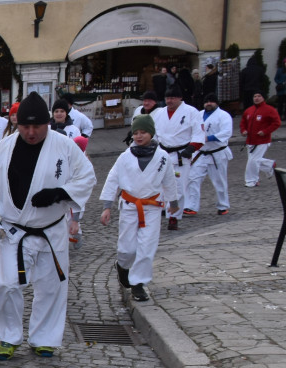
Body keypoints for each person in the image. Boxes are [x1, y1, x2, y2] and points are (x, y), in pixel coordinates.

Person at [0, 92, 96, 360]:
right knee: (8, 285)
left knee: (51, 286)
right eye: (24, 126)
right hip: (14, 229)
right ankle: (8, 336)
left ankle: (44, 338)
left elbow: (87, 176)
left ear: (47, 123)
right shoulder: (4, 147)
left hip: (51, 228)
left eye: (36, 126)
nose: (30, 132)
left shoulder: (65, 146)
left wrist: (60, 193)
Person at [99, 113, 178, 303]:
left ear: (151, 133)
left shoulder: (162, 157)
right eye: (136, 133)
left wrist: (173, 202)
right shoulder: (125, 157)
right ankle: (123, 266)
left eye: (143, 132)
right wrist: (107, 206)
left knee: (146, 246)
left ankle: (138, 284)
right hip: (129, 205)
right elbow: (112, 179)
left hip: (151, 206)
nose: (139, 136)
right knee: (127, 248)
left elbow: (169, 180)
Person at [153, 85, 203, 230]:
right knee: (159, 186)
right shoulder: (160, 113)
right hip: (162, 154)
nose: (169, 101)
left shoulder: (191, 112)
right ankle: (157, 214)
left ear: (180, 98)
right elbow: (154, 133)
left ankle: (173, 217)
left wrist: (191, 148)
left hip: (181, 155)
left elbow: (199, 132)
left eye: (173, 98)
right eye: (167, 98)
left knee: (178, 187)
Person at [183, 94, 233, 217]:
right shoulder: (199, 114)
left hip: (217, 153)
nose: (208, 104)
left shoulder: (224, 116)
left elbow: (226, 132)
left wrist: (208, 138)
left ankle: (223, 206)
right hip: (201, 153)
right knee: (192, 178)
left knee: (219, 181)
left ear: (217, 103)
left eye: (211, 101)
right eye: (206, 102)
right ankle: (191, 206)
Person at [241, 90, 281, 187]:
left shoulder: (269, 110)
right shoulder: (248, 110)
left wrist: (265, 131)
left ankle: (251, 181)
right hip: (250, 141)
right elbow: (243, 123)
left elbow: (277, 123)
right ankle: (269, 165)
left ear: (263, 98)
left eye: (259, 96)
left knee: (253, 161)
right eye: (255, 96)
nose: (257, 98)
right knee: (255, 160)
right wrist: (243, 131)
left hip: (262, 140)